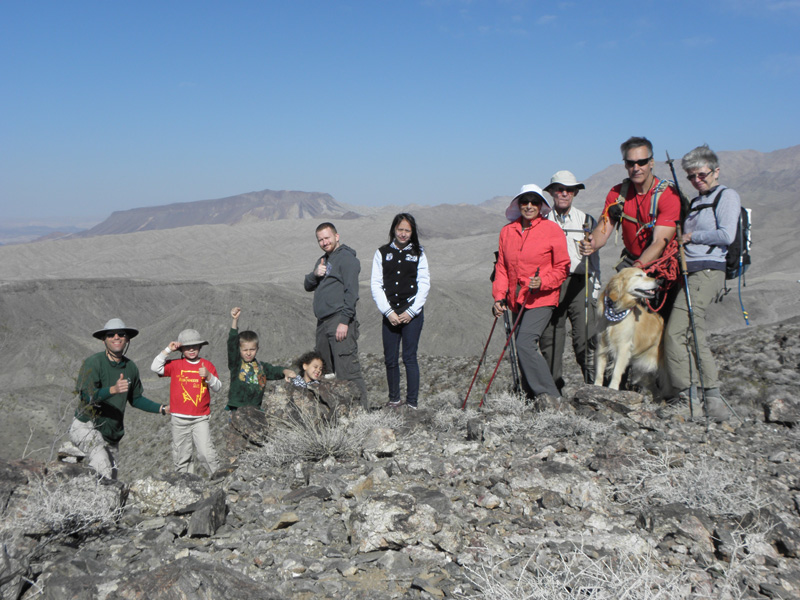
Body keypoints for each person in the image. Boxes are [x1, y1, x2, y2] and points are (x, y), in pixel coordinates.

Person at [664, 145, 740, 421]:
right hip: (690, 270)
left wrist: (691, 237)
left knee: (676, 333)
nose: (697, 180)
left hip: (708, 271)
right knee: (692, 332)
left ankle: (689, 398)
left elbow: (726, 235)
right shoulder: (697, 201)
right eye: (691, 177)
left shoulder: (727, 196)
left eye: (702, 174)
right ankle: (710, 401)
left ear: (716, 170)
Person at [492, 184, 570, 399]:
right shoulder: (507, 231)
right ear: (518, 205)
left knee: (524, 342)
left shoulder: (551, 230)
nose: (529, 206)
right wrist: (499, 296)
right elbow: (502, 268)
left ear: (541, 205)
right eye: (524, 202)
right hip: (516, 299)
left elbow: (562, 266)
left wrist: (542, 282)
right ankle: (530, 395)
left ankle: (550, 396)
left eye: (534, 202)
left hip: (542, 297)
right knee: (524, 346)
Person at [69, 318, 169, 480]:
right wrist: (112, 390)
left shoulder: (130, 368)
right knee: (102, 466)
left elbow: (136, 399)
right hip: (86, 426)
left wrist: (163, 408)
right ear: (104, 340)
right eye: (111, 335)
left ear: (127, 339)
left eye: (121, 334)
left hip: (111, 435)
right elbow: (87, 396)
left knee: (112, 479)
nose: (116, 337)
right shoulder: (93, 363)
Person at [580, 136, 681, 274]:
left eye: (642, 162)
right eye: (630, 163)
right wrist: (592, 243)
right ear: (625, 164)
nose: (636, 168)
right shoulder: (617, 194)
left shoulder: (668, 195)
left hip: (661, 264)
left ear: (651, 163)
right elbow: (603, 229)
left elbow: (659, 242)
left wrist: (635, 271)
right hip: (631, 262)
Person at [540, 171, 601, 391]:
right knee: (551, 339)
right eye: (559, 189)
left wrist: (595, 291)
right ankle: (551, 390)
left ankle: (594, 388)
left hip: (580, 283)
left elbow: (594, 260)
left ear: (575, 193)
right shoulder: (542, 221)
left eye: (568, 190)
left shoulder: (587, 220)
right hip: (551, 285)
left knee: (585, 338)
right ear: (552, 192)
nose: (564, 193)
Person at [303, 222, 369, 408]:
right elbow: (308, 286)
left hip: (338, 321)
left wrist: (344, 321)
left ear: (337, 236)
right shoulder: (323, 260)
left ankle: (362, 414)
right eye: (320, 240)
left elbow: (351, 292)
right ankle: (334, 411)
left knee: (348, 371)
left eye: (327, 238)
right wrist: (315, 274)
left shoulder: (347, 259)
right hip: (323, 324)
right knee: (325, 372)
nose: (324, 242)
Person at [370, 213, 431, 409]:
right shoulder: (381, 253)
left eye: (407, 230)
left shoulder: (419, 253)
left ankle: (412, 403)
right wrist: (388, 311)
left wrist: (412, 312)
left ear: (412, 232)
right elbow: (376, 284)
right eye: (400, 229)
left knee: (409, 357)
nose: (403, 234)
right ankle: (394, 399)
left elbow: (424, 284)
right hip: (390, 313)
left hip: (411, 312)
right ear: (393, 230)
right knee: (390, 358)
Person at [151, 328, 221, 476]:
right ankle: (185, 484)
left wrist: (209, 376)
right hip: (179, 419)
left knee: (206, 453)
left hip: (200, 418)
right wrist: (167, 350)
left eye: (195, 346)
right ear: (181, 348)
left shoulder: (207, 365)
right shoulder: (175, 365)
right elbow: (155, 367)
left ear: (200, 347)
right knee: (182, 456)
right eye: (187, 346)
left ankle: (217, 479)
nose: (191, 349)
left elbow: (218, 387)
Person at [226, 307, 295, 411]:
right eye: (245, 350)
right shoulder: (236, 364)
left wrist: (285, 371)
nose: (249, 353)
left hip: (256, 409)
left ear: (257, 349)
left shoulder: (261, 367)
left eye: (252, 349)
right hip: (237, 408)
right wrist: (235, 320)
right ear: (239, 350)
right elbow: (232, 344)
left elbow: (274, 371)